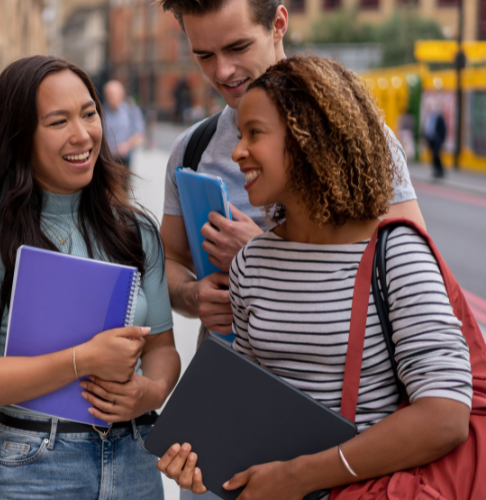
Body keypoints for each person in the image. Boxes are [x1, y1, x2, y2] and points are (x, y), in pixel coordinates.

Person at [158, 55, 472, 499]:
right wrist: (209, 458)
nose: (237, 151)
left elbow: (446, 416)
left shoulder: (396, 255)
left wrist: (299, 477)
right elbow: (250, 406)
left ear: (309, 139)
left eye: (255, 134)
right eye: (240, 134)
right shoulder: (250, 263)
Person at [0, 55, 181, 500]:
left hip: (135, 458)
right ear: (19, 137)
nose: (83, 134)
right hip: (33, 466)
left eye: (89, 114)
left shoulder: (135, 231)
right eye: (58, 122)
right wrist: (82, 360)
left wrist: (150, 392)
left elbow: (162, 348)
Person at [155, 0, 426, 346]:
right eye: (204, 55)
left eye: (238, 47)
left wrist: (261, 256)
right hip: (226, 372)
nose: (222, 71)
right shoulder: (191, 150)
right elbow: (169, 261)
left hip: (336, 377)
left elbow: (412, 283)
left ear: (279, 24)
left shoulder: (360, 139)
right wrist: (191, 295)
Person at [102, 79, 145, 167]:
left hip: (123, 160)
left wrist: (126, 146)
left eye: (112, 94)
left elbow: (140, 135)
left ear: (121, 94)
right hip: (105, 160)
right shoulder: (101, 112)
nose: (110, 97)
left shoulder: (131, 110)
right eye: (107, 94)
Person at [423, 102, 447, 179]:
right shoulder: (429, 117)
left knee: (436, 155)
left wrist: (442, 139)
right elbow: (427, 128)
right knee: (433, 156)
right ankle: (436, 171)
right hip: (431, 139)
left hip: (437, 139)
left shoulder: (439, 117)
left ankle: (440, 171)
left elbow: (443, 129)